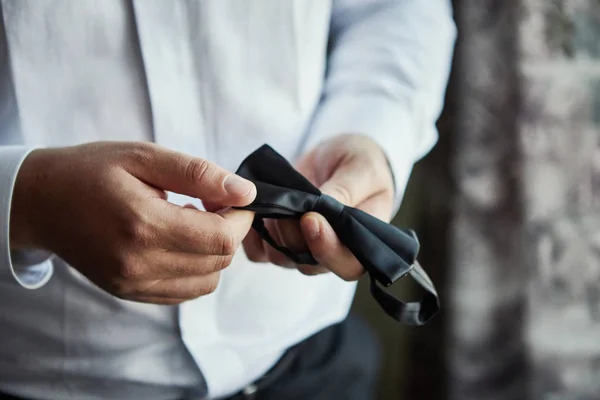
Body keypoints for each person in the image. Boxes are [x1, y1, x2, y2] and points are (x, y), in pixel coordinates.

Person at [0, 1, 456, 399]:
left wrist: (373, 131)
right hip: (45, 370)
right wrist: (27, 201)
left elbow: (392, 9)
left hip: (310, 355)